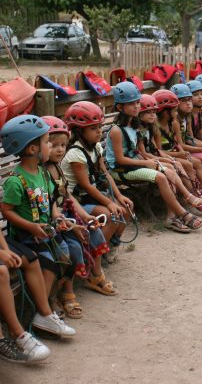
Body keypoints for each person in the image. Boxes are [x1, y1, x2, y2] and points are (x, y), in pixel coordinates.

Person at [0, 115, 76, 337]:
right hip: (25, 237)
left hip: (44, 232)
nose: (50, 145)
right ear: (33, 149)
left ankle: (46, 308)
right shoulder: (17, 180)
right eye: (47, 142)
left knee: (64, 254)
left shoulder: (43, 173)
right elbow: (6, 210)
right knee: (50, 263)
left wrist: (57, 217)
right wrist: (31, 227)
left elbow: (50, 202)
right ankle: (41, 313)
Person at [105, 81, 202, 233]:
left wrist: (151, 161)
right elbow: (120, 160)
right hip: (121, 170)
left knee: (169, 169)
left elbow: (139, 151)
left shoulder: (133, 126)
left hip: (135, 164)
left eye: (137, 103)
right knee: (161, 177)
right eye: (132, 104)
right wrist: (147, 162)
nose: (137, 106)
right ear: (120, 107)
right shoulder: (117, 130)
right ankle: (182, 213)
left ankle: (175, 213)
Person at [61, 101, 133, 292]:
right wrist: (109, 203)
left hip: (92, 196)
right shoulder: (76, 153)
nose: (99, 131)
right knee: (108, 215)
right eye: (93, 128)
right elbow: (84, 185)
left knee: (126, 208)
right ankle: (93, 264)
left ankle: (107, 249)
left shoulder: (96, 147)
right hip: (77, 201)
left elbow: (105, 173)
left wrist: (118, 196)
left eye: (100, 127)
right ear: (78, 131)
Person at [43, 115, 113, 312]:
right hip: (53, 221)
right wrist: (73, 225)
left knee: (94, 229)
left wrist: (84, 215)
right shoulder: (43, 174)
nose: (59, 149)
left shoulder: (57, 167)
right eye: (52, 144)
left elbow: (67, 196)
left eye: (63, 144)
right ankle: (66, 291)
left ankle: (96, 275)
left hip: (66, 216)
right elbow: (49, 208)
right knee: (72, 246)